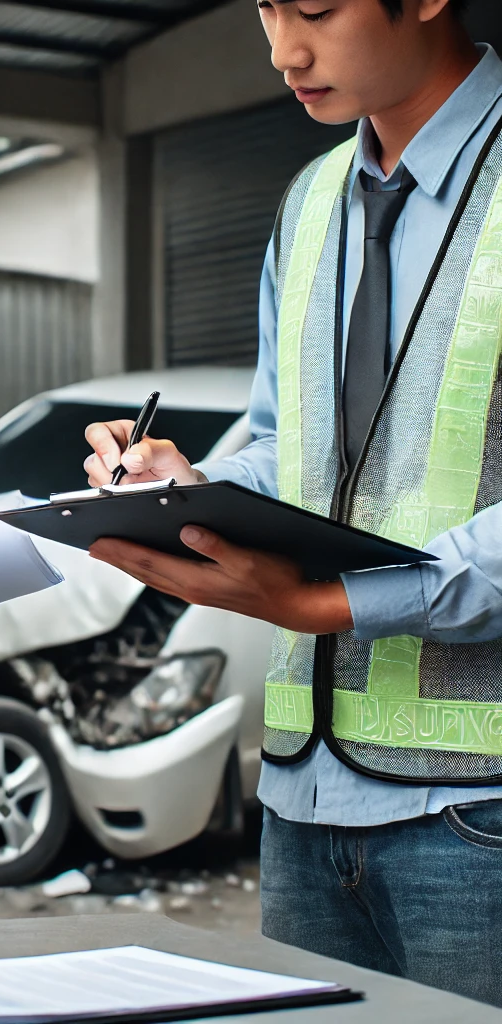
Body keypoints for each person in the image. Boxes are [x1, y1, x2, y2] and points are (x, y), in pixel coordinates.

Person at [85, 0, 502, 1007]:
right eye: (267, 7)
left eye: (313, 8)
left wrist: (329, 605)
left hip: (479, 816)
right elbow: (288, 439)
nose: (282, 51)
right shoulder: (311, 199)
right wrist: (181, 482)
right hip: (301, 803)